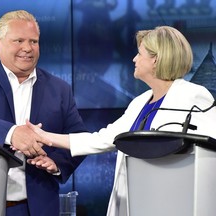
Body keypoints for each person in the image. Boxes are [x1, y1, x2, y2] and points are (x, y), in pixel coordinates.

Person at [25, 26, 216, 215]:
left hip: (174, 201)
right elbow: (102, 139)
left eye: (140, 54)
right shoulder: (139, 103)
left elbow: (210, 151)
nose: (134, 59)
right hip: (137, 201)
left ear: (156, 59)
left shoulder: (193, 96)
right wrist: (44, 136)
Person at [0, 10, 87, 216]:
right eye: (19, 40)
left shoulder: (59, 89)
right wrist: (13, 133)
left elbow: (78, 137)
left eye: (34, 41)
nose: (27, 48)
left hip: (38, 208)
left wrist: (57, 163)